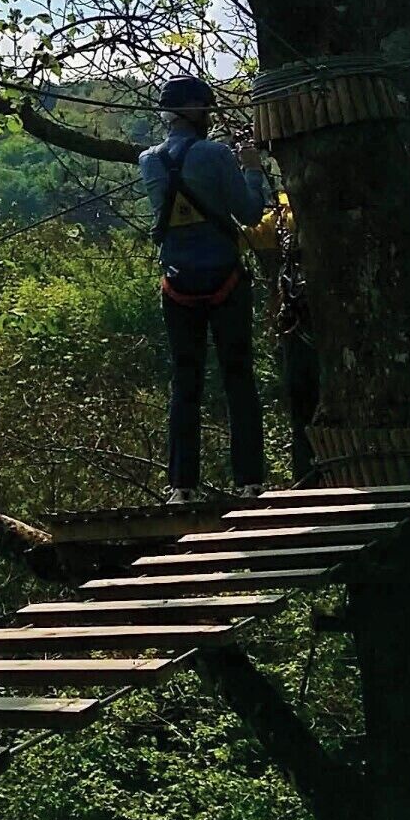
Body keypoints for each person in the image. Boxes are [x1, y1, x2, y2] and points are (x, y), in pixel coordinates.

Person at [138, 75, 268, 501]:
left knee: (185, 381)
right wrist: (251, 168)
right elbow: (249, 213)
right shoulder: (214, 154)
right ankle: (250, 480)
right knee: (237, 377)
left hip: (177, 283)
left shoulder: (148, 162)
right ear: (195, 111)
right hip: (225, 281)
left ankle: (182, 485)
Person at [243, 189, 320, 484]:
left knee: (302, 409)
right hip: (311, 322)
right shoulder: (284, 215)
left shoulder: (281, 217)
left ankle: (307, 479)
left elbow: (244, 237)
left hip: (297, 324)